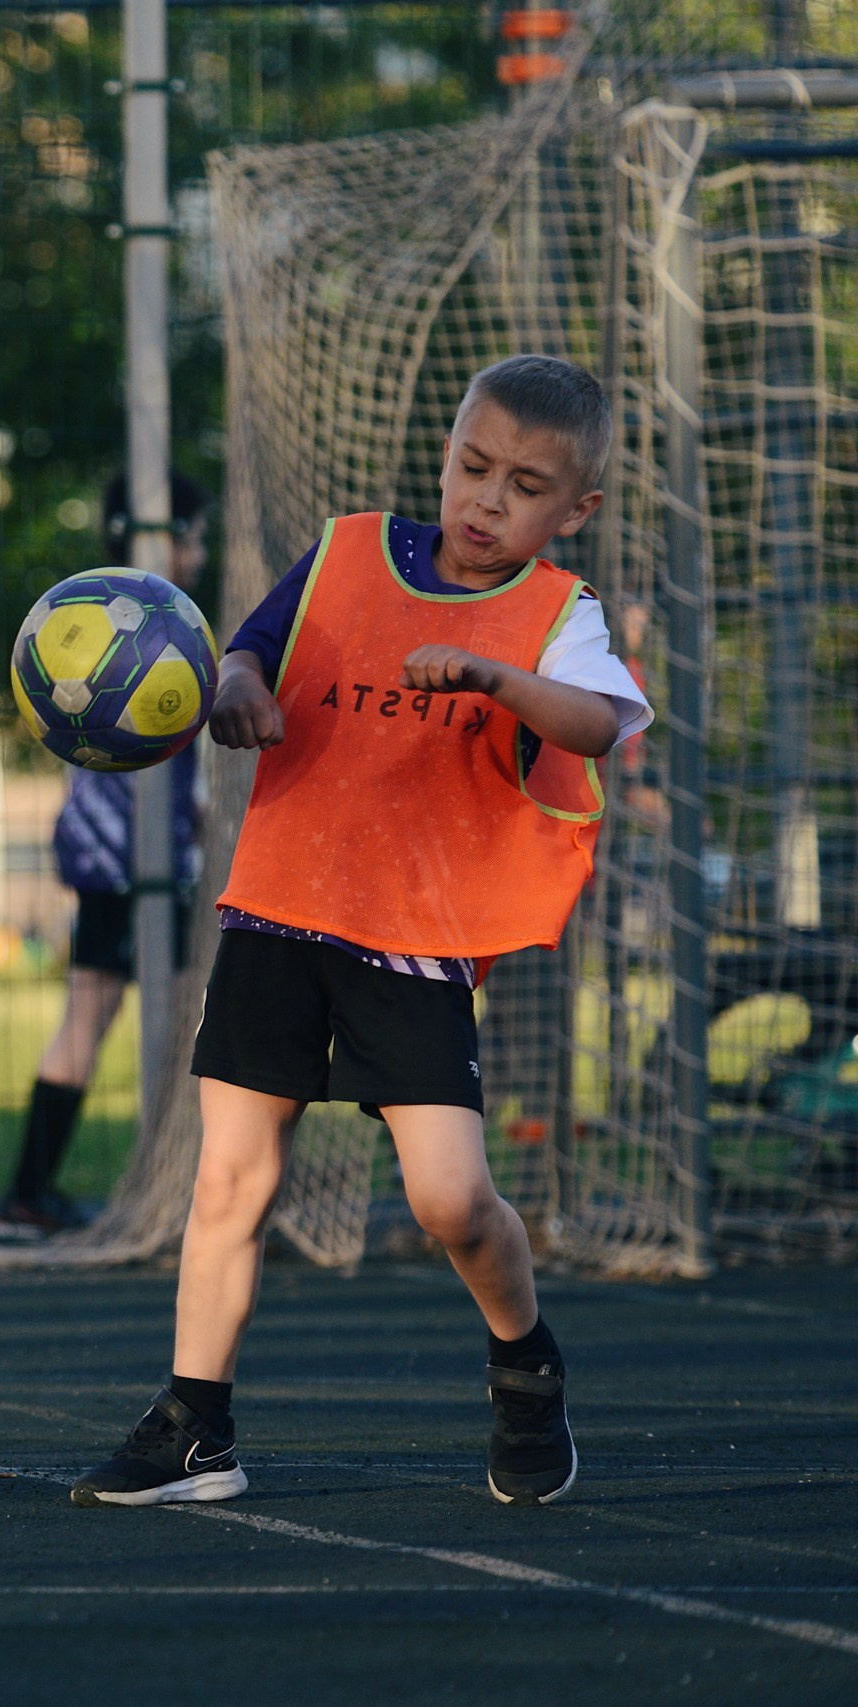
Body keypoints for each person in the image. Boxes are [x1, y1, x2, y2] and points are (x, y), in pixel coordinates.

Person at [71, 355, 651, 1509]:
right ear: (444, 451)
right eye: (472, 466)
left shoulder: (553, 616)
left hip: (415, 940)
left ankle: (524, 1367)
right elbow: (249, 646)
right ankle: (197, 1425)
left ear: (573, 509)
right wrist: (235, 683)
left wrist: (493, 675)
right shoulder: (345, 551)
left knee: (448, 1202)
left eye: (524, 487)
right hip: (281, 906)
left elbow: (596, 724)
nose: (486, 500)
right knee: (230, 1180)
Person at [0, 471, 209, 1241]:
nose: (199, 552)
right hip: (124, 860)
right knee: (144, 1014)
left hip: (110, 853)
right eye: (192, 536)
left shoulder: (119, 626)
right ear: (153, 538)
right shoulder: (152, 635)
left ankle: (37, 1191)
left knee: (109, 1011)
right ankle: (49, 1190)